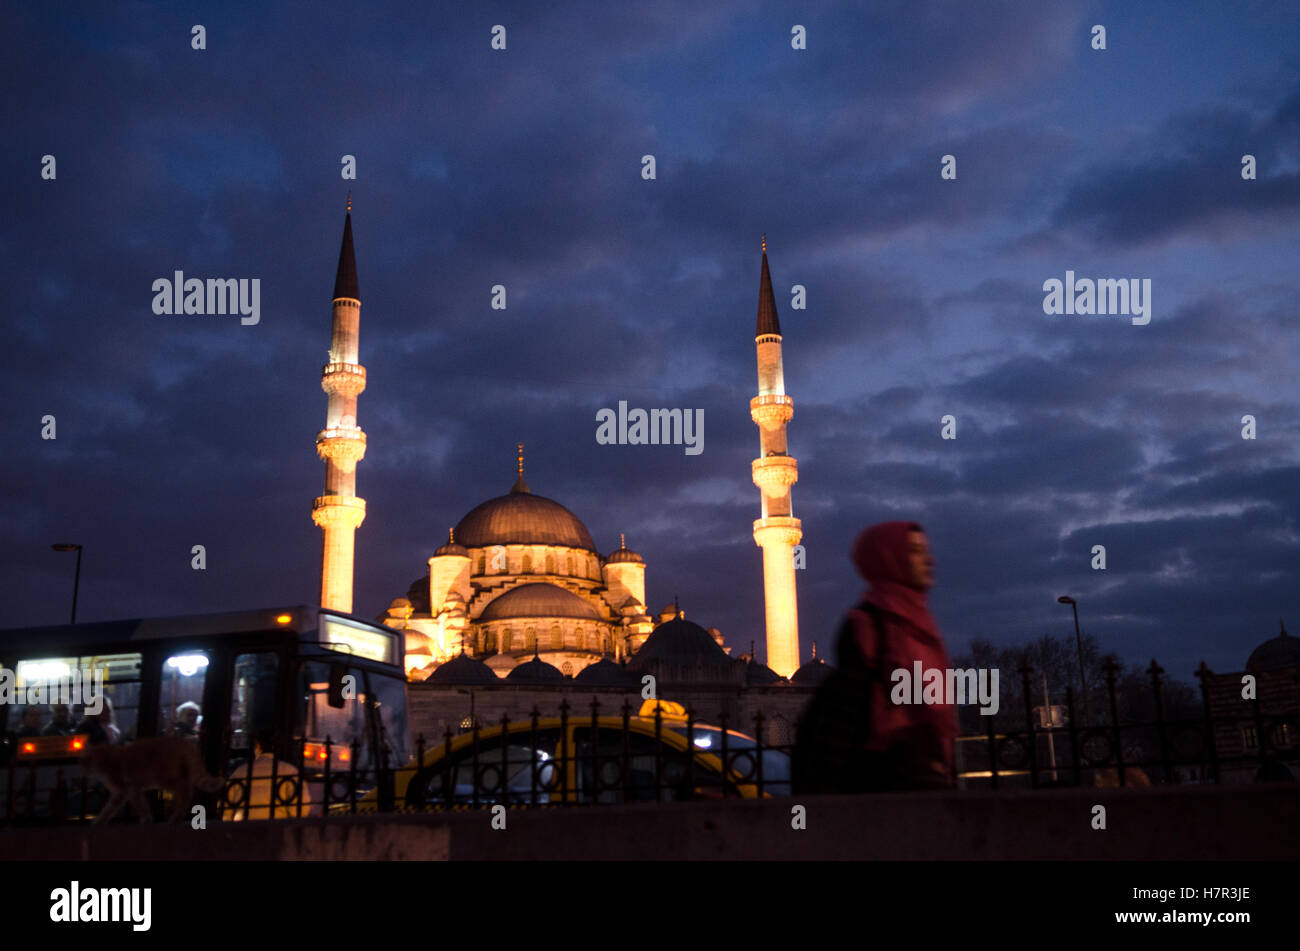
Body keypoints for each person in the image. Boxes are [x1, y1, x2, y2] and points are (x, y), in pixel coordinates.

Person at [793, 521, 957, 793]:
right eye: (915, 551)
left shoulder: (921, 623)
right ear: (889, 558)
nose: (929, 560)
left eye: (926, 550)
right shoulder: (868, 625)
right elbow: (848, 711)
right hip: (884, 782)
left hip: (928, 778)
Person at [222, 732, 315, 821]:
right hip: (277, 825)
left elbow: (226, 805)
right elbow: (301, 807)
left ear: (258, 747)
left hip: (244, 824)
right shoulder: (290, 771)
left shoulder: (241, 771)